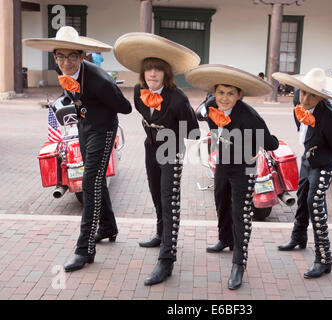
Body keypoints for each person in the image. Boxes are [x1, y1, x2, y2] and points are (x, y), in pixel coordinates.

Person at [24, 26, 132, 272]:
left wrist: (101, 101)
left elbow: (125, 108)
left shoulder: (100, 80)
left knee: (89, 181)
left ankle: (84, 250)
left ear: (82, 55)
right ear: (54, 57)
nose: (66, 62)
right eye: (61, 56)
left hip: (103, 130)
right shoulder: (63, 70)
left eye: (72, 56)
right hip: (83, 126)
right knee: (95, 180)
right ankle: (108, 227)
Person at [114, 32, 200, 285]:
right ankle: (161, 234)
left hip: (171, 149)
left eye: (158, 70)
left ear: (166, 74)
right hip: (150, 147)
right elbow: (143, 115)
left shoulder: (178, 98)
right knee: (155, 193)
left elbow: (193, 132)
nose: (152, 74)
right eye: (149, 69)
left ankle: (167, 259)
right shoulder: (139, 90)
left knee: (169, 199)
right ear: (143, 73)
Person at [185, 64, 279, 289]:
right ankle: (224, 239)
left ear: (239, 95)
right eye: (220, 93)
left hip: (245, 166)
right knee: (220, 200)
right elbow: (199, 114)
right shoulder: (210, 106)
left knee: (241, 212)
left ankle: (239, 262)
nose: (224, 98)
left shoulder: (250, 117)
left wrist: (263, 140)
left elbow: (270, 143)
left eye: (230, 93)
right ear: (213, 93)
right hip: (223, 162)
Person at [272, 68, 332, 278]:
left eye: (312, 95)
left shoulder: (331, 118)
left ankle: (324, 259)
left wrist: (324, 140)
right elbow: (304, 132)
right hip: (308, 159)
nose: (306, 98)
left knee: (314, 204)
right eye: (303, 92)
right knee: (302, 197)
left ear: (322, 97)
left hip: (324, 164)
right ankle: (299, 237)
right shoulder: (297, 106)